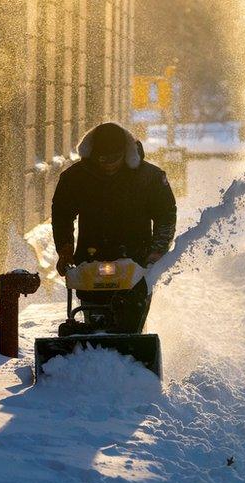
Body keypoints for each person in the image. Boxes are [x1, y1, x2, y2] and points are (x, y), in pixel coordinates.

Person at [51, 122, 176, 333]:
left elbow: (166, 215)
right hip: (91, 260)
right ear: (93, 154)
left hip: (137, 262)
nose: (109, 164)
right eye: (103, 159)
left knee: (131, 322)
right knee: (94, 318)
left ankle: (131, 347)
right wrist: (64, 249)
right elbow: (61, 214)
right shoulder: (75, 178)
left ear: (125, 153)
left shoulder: (150, 178)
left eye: (114, 158)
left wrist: (156, 251)